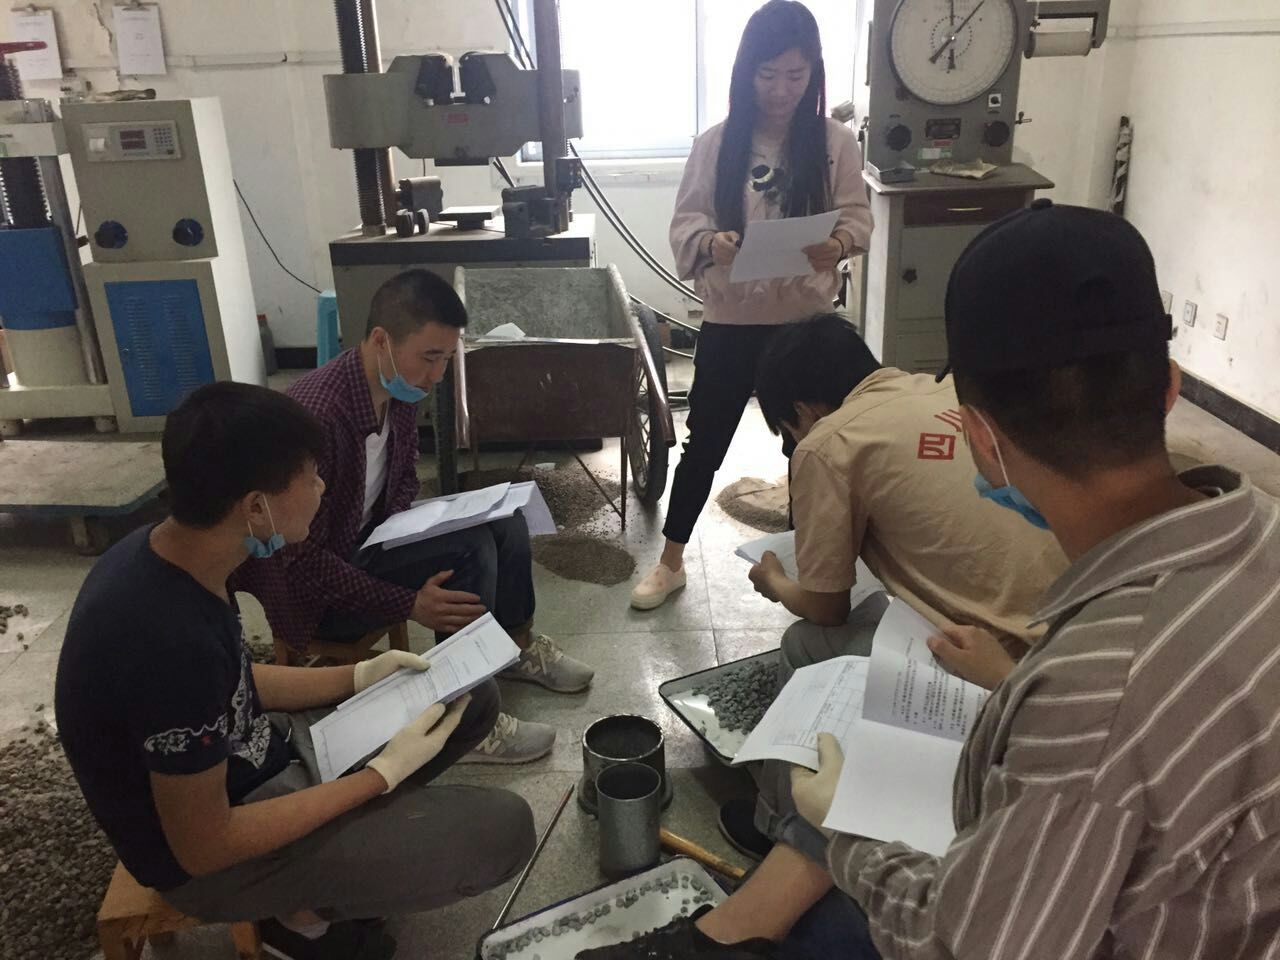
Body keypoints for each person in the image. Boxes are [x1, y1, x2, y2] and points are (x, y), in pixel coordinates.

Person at [586, 202, 1280, 960]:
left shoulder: (1093, 689)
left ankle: (741, 912)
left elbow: (970, 942)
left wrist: (847, 833)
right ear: (1170, 387)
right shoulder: (1261, 532)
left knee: (819, 919)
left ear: (980, 432)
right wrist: (1011, 678)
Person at [55, 383, 536, 960]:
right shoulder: (166, 638)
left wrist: (360, 677)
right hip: (216, 857)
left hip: (257, 760)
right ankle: (300, 920)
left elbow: (231, 682)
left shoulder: (172, 552)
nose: (322, 488)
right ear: (256, 507)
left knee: (469, 697)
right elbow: (205, 848)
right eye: (310, 477)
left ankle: (336, 867)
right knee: (504, 830)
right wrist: (377, 777)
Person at [713, 313, 1065, 861]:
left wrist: (776, 579)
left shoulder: (828, 442)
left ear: (804, 412)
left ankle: (780, 821)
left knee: (804, 641)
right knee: (879, 606)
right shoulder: (943, 391)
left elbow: (826, 608)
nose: (795, 444)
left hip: (996, 665)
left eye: (789, 431)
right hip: (1069, 646)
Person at [235, 269, 594, 765]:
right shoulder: (318, 418)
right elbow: (299, 563)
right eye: (430, 357)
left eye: (446, 358)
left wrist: (421, 525)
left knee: (503, 519)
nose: (437, 375)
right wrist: (408, 601)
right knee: (469, 552)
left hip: (368, 543)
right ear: (381, 341)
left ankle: (513, 645)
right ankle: (461, 716)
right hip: (317, 592)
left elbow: (404, 479)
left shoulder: (398, 390)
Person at [630, 0, 873, 611]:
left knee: (813, 448)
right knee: (705, 442)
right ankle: (670, 562)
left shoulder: (834, 142)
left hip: (805, 324)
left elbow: (856, 215)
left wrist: (839, 243)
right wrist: (712, 242)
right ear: (746, 73)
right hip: (733, 320)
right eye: (768, 75)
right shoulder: (716, 143)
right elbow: (686, 221)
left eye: (796, 75)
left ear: (813, 73)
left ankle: (813, 565)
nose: (782, 90)